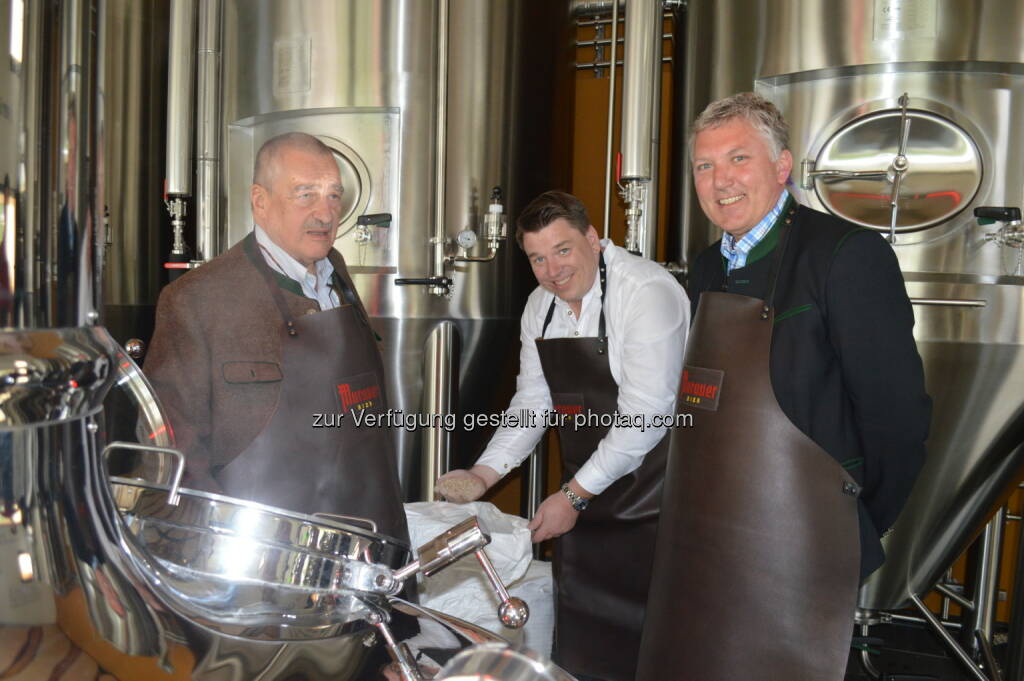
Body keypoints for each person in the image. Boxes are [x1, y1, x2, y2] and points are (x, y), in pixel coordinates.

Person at [636, 93, 930, 681]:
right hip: (719, 538)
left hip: (809, 545)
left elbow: (897, 418)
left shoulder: (846, 256)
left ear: (782, 166)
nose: (721, 181)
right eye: (704, 166)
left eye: (738, 159)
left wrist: (850, 529)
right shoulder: (706, 268)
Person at [436, 190, 689, 681]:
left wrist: (572, 497)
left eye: (563, 250)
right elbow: (533, 404)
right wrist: (482, 475)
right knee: (585, 655)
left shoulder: (645, 292)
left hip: (659, 506)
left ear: (593, 239)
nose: (552, 270)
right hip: (588, 512)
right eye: (537, 258)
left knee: (656, 656)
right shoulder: (541, 308)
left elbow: (646, 417)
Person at [144, 132, 409, 545]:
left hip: (366, 539)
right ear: (260, 200)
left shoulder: (335, 271)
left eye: (334, 196)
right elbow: (172, 458)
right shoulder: (195, 299)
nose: (326, 213)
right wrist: (219, 557)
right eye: (306, 195)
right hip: (263, 564)